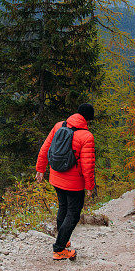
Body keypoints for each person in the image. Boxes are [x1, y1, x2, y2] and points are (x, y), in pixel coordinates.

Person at [35, 103, 96, 261]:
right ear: (88, 120)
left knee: (63, 207)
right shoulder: (86, 136)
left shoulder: (59, 126)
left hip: (56, 177)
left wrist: (40, 169)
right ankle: (59, 249)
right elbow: (88, 165)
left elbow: (45, 148)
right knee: (73, 214)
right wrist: (90, 186)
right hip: (74, 183)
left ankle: (63, 237)